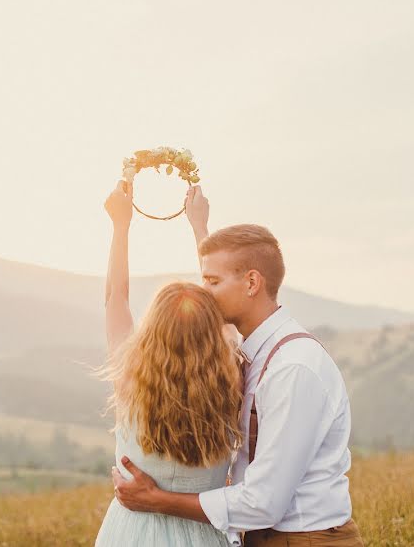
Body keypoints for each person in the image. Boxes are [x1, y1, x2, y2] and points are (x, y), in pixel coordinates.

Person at [112, 186, 365, 547]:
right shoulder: (254, 350)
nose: (204, 293)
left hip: (305, 540)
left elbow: (265, 503)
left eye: (211, 282)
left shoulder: (292, 369)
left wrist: (157, 501)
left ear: (251, 282)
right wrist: (200, 226)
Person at [95, 180, 244, 547]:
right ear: (212, 329)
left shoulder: (128, 377)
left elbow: (116, 297)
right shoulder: (230, 382)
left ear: (152, 329)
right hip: (205, 533)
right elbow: (223, 311)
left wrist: (120, 225)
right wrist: (200, 227)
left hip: (130, 534)